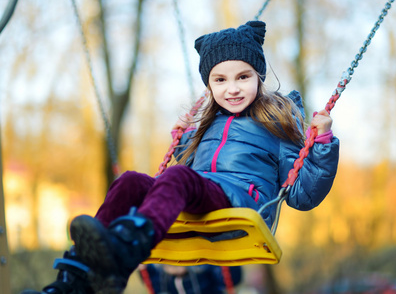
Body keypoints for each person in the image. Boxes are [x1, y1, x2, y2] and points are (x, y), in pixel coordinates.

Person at [23, 20, 339, 294]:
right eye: (220, 79)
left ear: (258, 76)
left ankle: (128, 246)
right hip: (202, 200)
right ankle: (78, 274)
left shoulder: (278, 122)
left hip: (242, 205)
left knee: (177, 178)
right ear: (210, 84)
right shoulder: (205, 125)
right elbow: (189, 178)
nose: (232, 88)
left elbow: (302, 194)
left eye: (243, 77)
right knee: (131, 181)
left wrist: (322, 142)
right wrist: (183, 143)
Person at [139, 264, 242, 293]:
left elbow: (231, 280)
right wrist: (144, 267)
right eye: (168, 264)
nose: (174, 265)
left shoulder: (204, 273)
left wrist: (229, 263)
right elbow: (153, 284)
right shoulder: (165, 281)